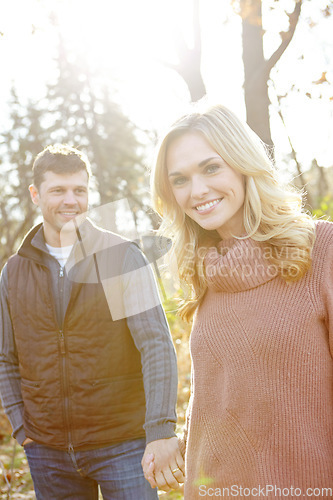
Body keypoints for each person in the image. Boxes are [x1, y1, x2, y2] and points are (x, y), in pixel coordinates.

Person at [143, 104, 333, 498]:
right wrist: (181, 439)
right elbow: (224, 393)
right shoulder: (203, 271)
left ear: (244, 164)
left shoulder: (322, 250)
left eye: (211, 168)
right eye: (180, 180)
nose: (197, 192)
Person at [0, 144, 184, 499]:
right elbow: (6, 358)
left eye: (79, 190)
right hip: (47, 452)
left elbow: (155, 344)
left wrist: (160, 430)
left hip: (124, 444)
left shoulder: (120, 257)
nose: (71, 200)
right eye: (58, 190)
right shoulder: (15, 272)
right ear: (36, 194)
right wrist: (23, 427)